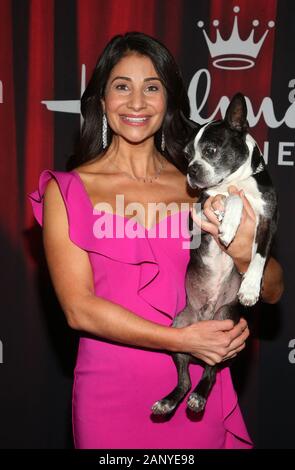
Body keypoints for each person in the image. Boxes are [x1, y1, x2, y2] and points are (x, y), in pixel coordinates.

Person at [28, 32, 283, 449]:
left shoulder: (201, 185)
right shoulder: (68, 190)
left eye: (152, 87)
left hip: (200, 389)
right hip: (110, 395)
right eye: (121, 86)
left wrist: (242, 256)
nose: (137, 103)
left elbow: (273, 289)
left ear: (169, 100)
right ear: (100, 99)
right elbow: (78, 309)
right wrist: (183, 340)